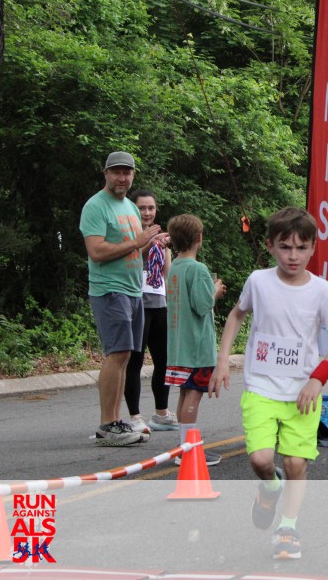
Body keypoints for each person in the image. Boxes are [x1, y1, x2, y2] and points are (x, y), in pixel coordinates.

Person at [211, 207, 328, 560]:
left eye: (301, 248)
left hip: (303, 392)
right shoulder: (258, 282)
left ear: (312, 248)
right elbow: (236, 315)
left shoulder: (321, 291)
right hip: (262, 387)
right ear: (270, 245)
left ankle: (288, 528)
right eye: (285, 247)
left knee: (295, 464)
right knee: (261, 459)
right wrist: (223, 360)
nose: (293, 256)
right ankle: (269, 488)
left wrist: (317, 380)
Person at [80, 151, 161, 446]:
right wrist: (137, 241)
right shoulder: (95, 206)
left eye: (127, 172)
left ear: (133, 175)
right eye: (116, 172)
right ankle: (107, 424)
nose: (122, 177)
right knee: (117, 353)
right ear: (106, 174)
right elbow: (96, 252)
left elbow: (132, 250)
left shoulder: (129, 207)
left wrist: (150, 243)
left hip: (133, 290)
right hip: (110, 290)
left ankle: (116, 421)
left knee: (126, 355)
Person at [164, 214, 226, 466]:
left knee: (184, 392)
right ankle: (188, 451)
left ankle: (184, 446)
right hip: (197, 348)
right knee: (194, 394)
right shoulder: (198, 269)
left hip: (178, 345)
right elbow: (202, 305)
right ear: (199, 238)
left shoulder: (175, 267)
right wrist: (215, 291)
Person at [123, 190, 176, 436]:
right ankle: (134, 416)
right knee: (134, 361)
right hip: (137, 304)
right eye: (142, 208)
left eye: (151, 208)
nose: (147, 212)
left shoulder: (161, 237)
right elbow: (132, 261)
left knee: (163, 361)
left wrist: (164, 247)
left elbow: (168, 274)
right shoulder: (130, 236)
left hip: (159, 304)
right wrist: (148, 244)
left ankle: (161, 413)